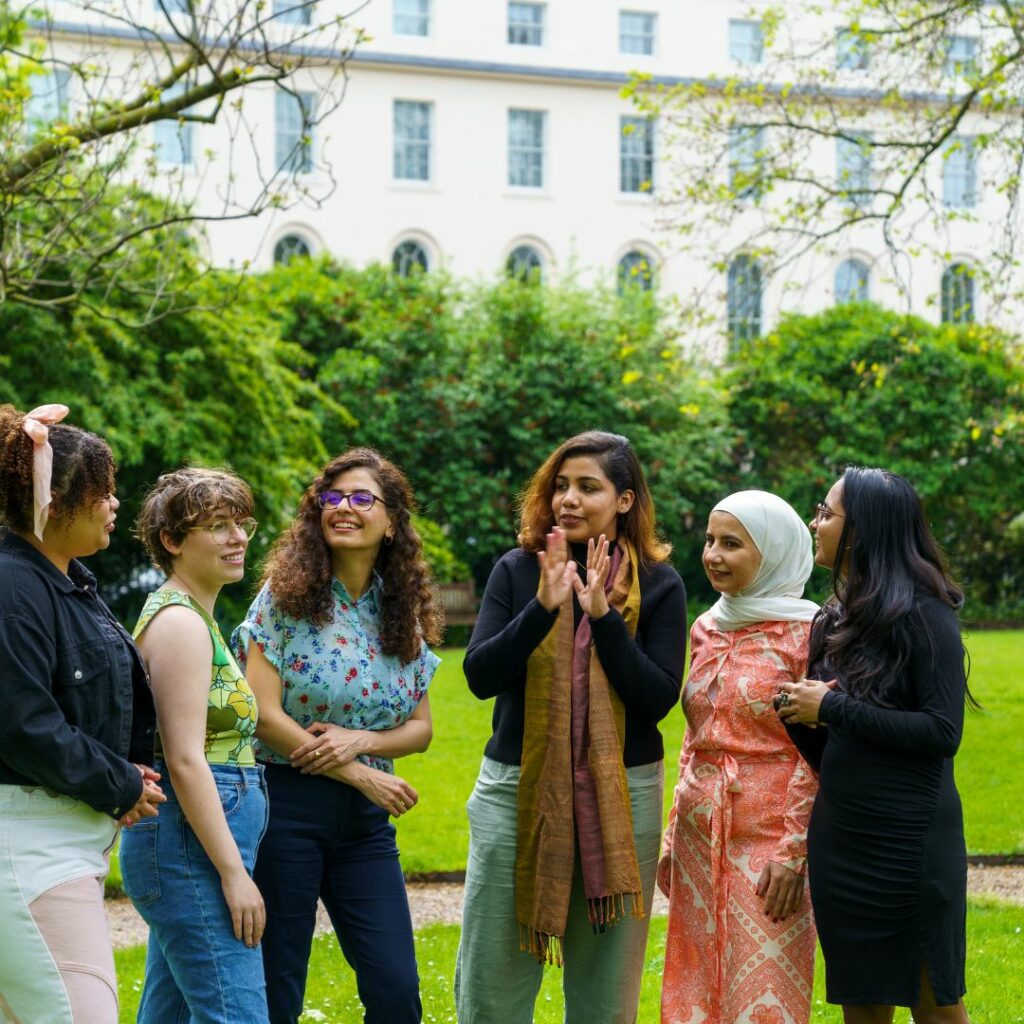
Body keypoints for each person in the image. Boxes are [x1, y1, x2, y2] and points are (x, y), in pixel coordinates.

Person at [455, 430, 687, 1024]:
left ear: (625, 500)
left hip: (623, 793)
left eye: (589, 487)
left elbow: (656, 698)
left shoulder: (658, 584)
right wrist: (541, 607)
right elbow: (480, 676)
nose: (569, 499)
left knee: (606, 988)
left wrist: (604, 618)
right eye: (561, 485)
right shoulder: (517, 570)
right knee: (494, 979)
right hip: (518, 788)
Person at [232, 448, 441, 1024]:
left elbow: (420, 729)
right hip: (284, 808)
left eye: (361, 498)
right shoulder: (284, 598)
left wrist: (361, 743)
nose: (343, 508)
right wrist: (352, 770)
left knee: (397, 992)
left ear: (392, 521)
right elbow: (260, 713)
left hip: (365, 827)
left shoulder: (404, 611)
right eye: (333, 497)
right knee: (279, 991)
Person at [776, 467, 972, 1024]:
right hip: (844, 840)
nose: (815, 522)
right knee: (860, 1002)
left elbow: (941, 731)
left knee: (935, 1003)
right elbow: (831, 746)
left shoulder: (925, 613)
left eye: (827, 513)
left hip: (910, 843)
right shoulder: (833, 620)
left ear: (861, 530)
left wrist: (832, 707)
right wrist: (799, 716)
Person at [0, 403, 163, 1024]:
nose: (114, 504)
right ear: (54, 498)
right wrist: (119, 782)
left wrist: (127, 773)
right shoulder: (13, 587)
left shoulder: (68, 583)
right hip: (27, 846)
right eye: (102, 492)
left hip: (61, 841)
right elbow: (22, 724)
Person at [658, 489, 820, 1024]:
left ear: (772, 552)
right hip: (700, 836)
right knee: (697, 986)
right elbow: (697, 733)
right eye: (709, 540)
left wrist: (794, 852)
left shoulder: (810, 633)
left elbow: (814, 752)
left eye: (731, 543)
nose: (712, 555)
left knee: (763, 991)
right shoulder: (707, 626)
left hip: (770, 837)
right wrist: (673, 830)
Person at [119, 467, 269, 1023]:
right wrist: (235, 874)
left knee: (171, 1015)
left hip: (190, 844)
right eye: (218, 525)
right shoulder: (179, 624)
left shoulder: (195, 616)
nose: (238, 538)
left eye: (241, 523)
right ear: (173, 541)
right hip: (189, 848)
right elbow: (184, 759)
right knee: (238, 1014)